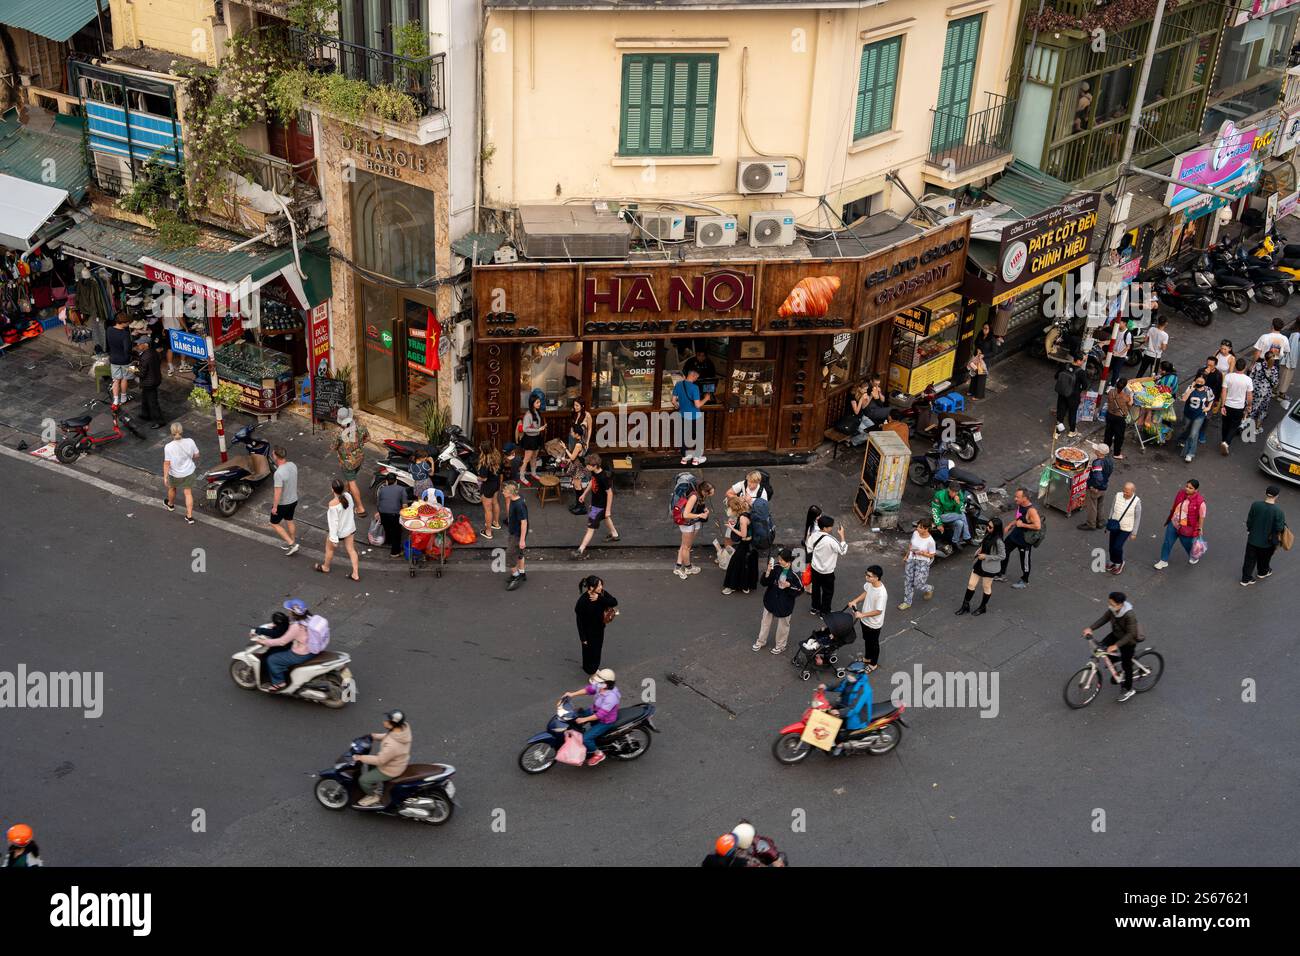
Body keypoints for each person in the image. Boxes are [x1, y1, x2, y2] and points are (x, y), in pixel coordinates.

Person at [1082, 592, 1141, 703]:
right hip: (1116, 634)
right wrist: (1090, 628)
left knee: (1126, 665)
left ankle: (1128, 689)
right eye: (1109, 603)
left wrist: (1116, 645)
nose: (1110, 605)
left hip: (1127, 641)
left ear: (1120, 604)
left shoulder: (1129, 615)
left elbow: (1131, 634)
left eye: (1112, 603)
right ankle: (1115, 664)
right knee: (1101, 648)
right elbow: (1104, 618)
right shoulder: (1113, 610)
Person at [252, 598, 320, 692]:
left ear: (293, 612)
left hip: (302, 653)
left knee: (272, 659)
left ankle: (279, 682)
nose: (288, 612)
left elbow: (281, 642)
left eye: (290, 610)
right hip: (315, 648)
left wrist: (263, 642)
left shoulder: (296, 627)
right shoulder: (310, 618)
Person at [561, 668, 621, 767]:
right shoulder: (601, 686)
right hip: (594, 711)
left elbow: (600, 715)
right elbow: (588, 690)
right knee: (573, 717)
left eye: (599, 682)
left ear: (606, 683)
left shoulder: (611, 697)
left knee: (586, 739)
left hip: (605, 720)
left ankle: (598, 754)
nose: (597, 683)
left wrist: (584, 719)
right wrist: (572, 694)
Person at [353, 710, 412, 807]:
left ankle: (374, 796)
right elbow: (389, 736)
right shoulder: (402, 730)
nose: (383, 722)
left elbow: (380, 760)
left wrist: (360, 757)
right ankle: (374, 784)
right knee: (370, 762)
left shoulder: (392, 746)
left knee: (363, 780)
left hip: (390, 770)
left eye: (386, 721)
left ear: (392, 724)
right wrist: (373, 736)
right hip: (397, 762)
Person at [753, 548, 804, 655]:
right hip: (770, 599)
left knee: (783, 625)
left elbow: (799, 590)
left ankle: (781, 646)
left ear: (788, 561)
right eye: (779, 559)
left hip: (785, 603)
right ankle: (761, 641)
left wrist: (789, 586)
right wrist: (767, 572)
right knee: (765, 622)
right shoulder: (775, 567)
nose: (779, 561)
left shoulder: (795, 573)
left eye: (781, 560)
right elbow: (764, 583)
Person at [572, 453, 620, 558]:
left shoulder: (603, 477)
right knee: (606, 517)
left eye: (588, 466)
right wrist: (584, 494)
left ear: (594, 465)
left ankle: (580, 549)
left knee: (590, 528)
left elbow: (610, 493)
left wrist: (607, 510)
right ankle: (615, 534)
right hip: (596, 504)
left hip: (599, 507)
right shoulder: (594, 473)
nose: (586, 467)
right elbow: (591, 483)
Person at [956, 516, 1006, 616]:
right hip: (979, 563)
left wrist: (986, 556)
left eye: (990, 527)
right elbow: (984, 545)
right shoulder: (988, 535)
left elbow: (1002, 556)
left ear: (996, 529)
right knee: (971, 584)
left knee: (986, 587)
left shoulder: (999, 542)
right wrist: (980, 550)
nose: (988, 528)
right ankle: (965, 606)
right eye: (988, 525)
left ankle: (983, 607)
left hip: (989, 567)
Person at [1154, 478, 1206, 570]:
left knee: (1187, 544)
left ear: (1196, 490)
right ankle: (1163, 560)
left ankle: (1194, 556)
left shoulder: (1200, 502)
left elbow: (1202, 516)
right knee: (1167, 542)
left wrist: (1200, 528)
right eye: (1186, 486)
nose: (1187, 489)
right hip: (1174, 523)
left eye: (1190, 488)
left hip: (1187, 528)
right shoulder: (1181, 493)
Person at [1242, 485, 1287, 586]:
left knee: (1249, 560)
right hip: (1268, 542)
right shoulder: (1278, 511)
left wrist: (1249, 530)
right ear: (1277, 496)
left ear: (1265, 493)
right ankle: (1262, 572)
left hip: (1253, 539)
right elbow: (1279, 528)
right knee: (1265, 558)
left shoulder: (1255, 505)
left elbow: (1250, 520)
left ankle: (1245, 579)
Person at [316, 478, 360, 580]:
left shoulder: (332, 504)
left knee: (329, 549)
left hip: (339, 532)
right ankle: (355, 574)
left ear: (332, 489)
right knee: (351, 550)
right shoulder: (348, 496)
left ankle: (326, 567)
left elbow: (333, 523)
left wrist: (334, 538)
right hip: (350, 529)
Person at [997, 488, 1041, 589]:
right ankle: (1001, 574)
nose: (1015, 498)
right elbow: (1019, 519)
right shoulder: (1020, 505)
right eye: (1015, 496)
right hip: (1015, 535)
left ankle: (1025, 580)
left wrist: (1023, 525)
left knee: (1024, 561)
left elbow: (1038, 526)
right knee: (1004, 551)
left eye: (1017, 497)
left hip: (1024, 541)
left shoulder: (1031, 511)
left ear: (1024, 498)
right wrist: (1010, 525)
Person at [331, 407, 370, 518]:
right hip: (359, 458)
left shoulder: (338, 432)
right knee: (351, 479)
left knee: (352, 481)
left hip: (347, 462)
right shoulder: (360, 426)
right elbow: (368, 438)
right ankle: (347, 493)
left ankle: (360, 508)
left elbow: (333, 447)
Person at [806, 514, 848, 615]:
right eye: (830, 526)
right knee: (827, 593)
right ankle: (824, 612)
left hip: (815, 569)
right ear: (825, 528)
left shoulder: (814, 535)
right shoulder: (831, 540)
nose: (831, 528)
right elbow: (843, 551)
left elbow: (809, 548)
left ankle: (814, 608)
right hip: (827, 572)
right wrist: (842, 535)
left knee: (815, 589)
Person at [827, 660, 875, 749]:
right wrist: (825, 687)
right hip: (845, 707)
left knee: (841, 736)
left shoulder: (864, 689)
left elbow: (854, 709)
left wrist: (839, 712)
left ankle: (841, 746)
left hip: (857, 719)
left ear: (858, 675)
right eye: (849, 673)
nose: (848, 675)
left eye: (851, 674)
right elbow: (839, 686)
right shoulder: (850, 681)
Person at [575, 576, 618, 674]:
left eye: (601, 584)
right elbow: (579, 621)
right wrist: (583, 638)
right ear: (590, 588)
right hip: (587, 631)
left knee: (598, 648)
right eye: (598, 585)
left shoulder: (602, 594)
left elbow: (614, 602)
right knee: (587, 649)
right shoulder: (583, 601)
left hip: (599, 628)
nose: (601, 587)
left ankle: (594, 668)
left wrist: (599, 598)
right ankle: (589, 668)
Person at [845, 565, 886, 667]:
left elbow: (878, 611)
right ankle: (867, 658)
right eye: (866, 574)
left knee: (873, 644)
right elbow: (866, 592)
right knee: (867, 640)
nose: (866, 577)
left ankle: (873, 664)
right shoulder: (870, 584)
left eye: (869, 576)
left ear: (876, 578)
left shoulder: (881, 593)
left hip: (874, 624)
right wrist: (855, 601)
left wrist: (862, 614)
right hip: (864, 620)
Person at [674, 480, 714, 579]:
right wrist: (700, 515)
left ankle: (678, 566)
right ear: (704, 491)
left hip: (693, 522)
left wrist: (704, 510)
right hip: (686, 523)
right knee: (686, 547)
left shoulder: (701, 495)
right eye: (709, 494)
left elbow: (697, 506)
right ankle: (688, 567)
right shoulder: (694, 497)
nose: (709, 496)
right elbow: (686, 514)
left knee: (685, 545)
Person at [162, 422, 199, 524]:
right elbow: (196, 455)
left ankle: (170, 505)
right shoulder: (190, 441)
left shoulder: (168, 446)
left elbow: (167, 463)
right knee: (188, 493)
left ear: (171, 433)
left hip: (175, 473)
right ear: (182, 431)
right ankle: (189, 516)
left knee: (172, 488)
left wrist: (165, 477)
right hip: (189, 472)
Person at [671, 367, 709, 466]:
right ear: (693, 375)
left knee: (684, 436)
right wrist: (706, 398)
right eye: (697, 377)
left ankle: (684, 458)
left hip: (683, 415)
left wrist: (678, 406)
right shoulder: (694, 387)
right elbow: (697, 405)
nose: (697, 379)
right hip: (695, 416)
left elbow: (673, 400)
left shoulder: (679, 384)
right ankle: (696, 459)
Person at [722, 496, 759, 594]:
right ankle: (746, 586)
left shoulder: (742, 518)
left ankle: (731, 586)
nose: (729, 510)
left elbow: (743, 534)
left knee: (734, 564)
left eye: (730, 508)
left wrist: (731, 528)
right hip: (750, 544)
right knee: (746, 564)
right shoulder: (746, 510)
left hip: (745, 544)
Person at [1105, 482, 1141, 574]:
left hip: (1126, 528)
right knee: (1111, 546)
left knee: (1117, 546)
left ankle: (1119, 562)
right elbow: (1112, 509)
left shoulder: (1136, 502)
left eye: (1127, 492)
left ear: (1133, 491)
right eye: (1124, 491)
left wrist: (1134, 533)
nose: (1124, 493)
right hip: (1114, 525)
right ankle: (1112, 561)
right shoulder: (1117, 495)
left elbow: (1137, 518)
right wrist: (1109, 521)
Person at [900, 517, 936, 609]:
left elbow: (932, 554)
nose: (917, 528)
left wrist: (923, 553)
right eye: (918, 526)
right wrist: (907, 556)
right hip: (911, 559)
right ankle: (907, 602)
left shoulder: (930, 541)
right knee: (908, 582)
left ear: (926, 529)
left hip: (923, 562)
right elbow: (911, 545)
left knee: (918, 583)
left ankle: (929, 588)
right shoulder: (915, 533)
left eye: (920, 527)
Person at [269, 446, 300, 556]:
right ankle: (293, 543)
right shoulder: (292, 465)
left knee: (274, 523)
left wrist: (275, 507)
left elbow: (278, 492)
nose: (272, 456)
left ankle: (291, 543)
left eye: (273, 454)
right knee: (289, 520)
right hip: (294, 499)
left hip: (283, 503)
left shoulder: (278, 473)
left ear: (277, 457)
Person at [1220, 357, 1253, 455]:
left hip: (1227, 405)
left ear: (1235, 367)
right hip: (1239, 407)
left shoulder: (1228, 377)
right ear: (1245, 368)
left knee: (1225, 424)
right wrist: (1249, 405)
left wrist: (1222, 405)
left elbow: (1224, 391)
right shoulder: (1248, 380)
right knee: (1234, 426)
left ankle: (1223, 440)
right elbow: (1249, 395)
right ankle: (1226, 442)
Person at [1178, 374, 1214, 463]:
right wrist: (1191, 389)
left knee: (1193, 434)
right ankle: (1181, 439)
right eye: (1198, 381)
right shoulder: (1190, 387)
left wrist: (1208, 407)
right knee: (1185, 428)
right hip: (1188, 414)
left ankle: (1190, 453)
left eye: (1201, 382)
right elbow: (1183, 399)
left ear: (1205, 382)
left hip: (1200, 415)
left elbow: (1211, 399)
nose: (1199, 383)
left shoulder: (1208, 390)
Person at [1078, 443, 1113, 531]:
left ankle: (1091, 524)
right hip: (1104, 487)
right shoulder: (1109, 460)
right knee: (1100, 504)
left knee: (1092, 506)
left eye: (1097, 449)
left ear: (1100, 452)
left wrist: (1094, 487)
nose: (1095, 450)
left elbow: (1098, 477)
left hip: (1096, 488)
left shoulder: (1097, 463)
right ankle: (1100, 521)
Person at [132, 335, 164, 428]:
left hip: (149, 382)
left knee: (152, 402)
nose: (137, 345)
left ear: (146, 345)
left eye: (139, 343)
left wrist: (132, 369)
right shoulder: (153, 353)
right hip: (154, 379)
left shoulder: (146, 356)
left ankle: (159, 421)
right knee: (145, 398)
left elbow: (141, 373)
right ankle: (145, 414)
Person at [1054, 354, 1088, 437]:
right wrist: (1079, 389)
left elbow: (1056, 376)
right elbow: (1085, 386)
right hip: (1073, 396)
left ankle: (1057, 432)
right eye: (1083, 360)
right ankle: (1071, 431)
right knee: (1072, 413)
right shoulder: (1081, 372)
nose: (1084, 362)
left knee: (1061, 412)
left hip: (1062, 393)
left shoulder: (1065, 365)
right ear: (1078, 361)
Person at [376, 471, 407, 558]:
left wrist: (379, 512)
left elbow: (378, 503)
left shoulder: (382, 490)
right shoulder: (401, 489)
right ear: (396, 481)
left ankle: (388, 541)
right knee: (397, 533)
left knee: (387, 527)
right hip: (394, 515)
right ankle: (395, 552)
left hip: (383, 513)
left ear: (386, 481)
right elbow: (405, 505)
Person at [503, 481, 528, 590]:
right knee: (519, 553)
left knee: (509, 555)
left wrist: (522, 540)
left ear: (511, 492)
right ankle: (522, 573)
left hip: (517, 534)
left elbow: (524, 522)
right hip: (514, 531)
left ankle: (516, 576)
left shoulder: (519, 505)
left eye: (505, 491)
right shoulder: (514, 499)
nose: (503, 492)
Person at [931, 482, 971, 548]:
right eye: (952, 491)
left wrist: (958, 502)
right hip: (942, 516)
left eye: (956, 492)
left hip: (953, 516)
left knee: (960, 523)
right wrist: (938, 524)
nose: (954, 494)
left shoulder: (959, 494)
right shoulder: (939, 495)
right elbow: (935, 510)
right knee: (962, 515)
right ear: (948, 489)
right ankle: (967, 537)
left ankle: (955, 541)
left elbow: (962, 509)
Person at [106, 312, 134, 405]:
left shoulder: (109, 329)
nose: (128, 324)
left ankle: (115, 399)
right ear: (123, 322)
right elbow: (127, 349)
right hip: (125, 360)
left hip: (113, 358)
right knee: (125, 378)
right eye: (127, 323)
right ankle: (123, 397)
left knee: (116, 379)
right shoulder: (125, 334)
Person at [519, 390, 546, 486]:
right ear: (532, 403)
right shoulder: (528, 415)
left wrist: (540, 429)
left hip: (536, 438)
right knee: (526, 459)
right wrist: (539, 429)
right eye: (537, 402)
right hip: (530, 440)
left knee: (534, 457)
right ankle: (522, 477)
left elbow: (536, 426)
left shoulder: (536, 412)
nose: (539, 404)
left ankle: (533, 473)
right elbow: (525, 429)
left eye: (539, 402)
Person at [1102, 376, 1133, 459]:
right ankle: (1117, 453)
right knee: (1119, 436)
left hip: (1109, 415)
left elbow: (1109, 401)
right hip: (1119, 418)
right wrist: (1131, 396)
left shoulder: (1110, 392)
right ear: (1124, 386)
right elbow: (1130, 404)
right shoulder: (1125, 396)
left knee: (1108, 434)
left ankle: (1105, 451)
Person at [1249, 349, 1280, 429]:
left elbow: (1251, 377)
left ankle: (1247, 424)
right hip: (1267, 392)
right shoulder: (1274, 369)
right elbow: (1275, 383)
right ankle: (1258, 426)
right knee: (1263, 409)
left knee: (1253, 407)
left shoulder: (1257, 365)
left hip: (1256, 390)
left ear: (1264, 358)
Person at [476, 445, 502, 538]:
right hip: (496, 483)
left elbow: (484, 478)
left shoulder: (484, 463)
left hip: (488, 487)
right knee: (495, 503)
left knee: (488, 510)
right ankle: (496, 523)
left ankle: (488, 532)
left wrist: (477, 477)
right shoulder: (497, 458)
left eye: (481, 449)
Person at [1135, 314, 1168, 378]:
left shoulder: (1151, 329)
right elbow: (1163, 348)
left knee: (1141, 371)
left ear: (1158, 321)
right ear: (1166, 324)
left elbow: (1145, 340)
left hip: (1147, 353)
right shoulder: (1165, 335)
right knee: (1153, 374)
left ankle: (1134, 384)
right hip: (1156, 357)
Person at [1280, 318, 1300, 402]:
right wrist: (1292, 363)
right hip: (1289, 362)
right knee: (1286, 379)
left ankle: (1275, 391)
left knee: (1280, 376)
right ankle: (1281, 395)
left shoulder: (1290, 331)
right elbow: (1293, 350)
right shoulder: (1296, 335)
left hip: (1283, 359)